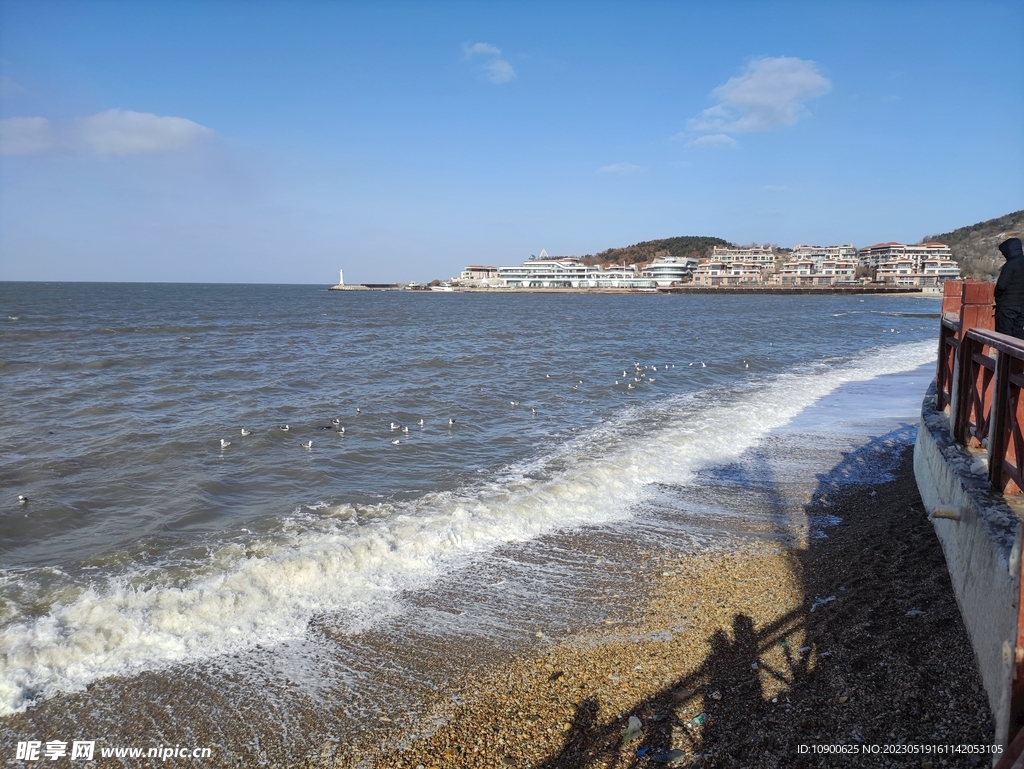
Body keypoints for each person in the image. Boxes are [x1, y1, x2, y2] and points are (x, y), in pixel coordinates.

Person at [995, 237, 1024, 339]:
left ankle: (1005, 355)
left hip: (1007, 306)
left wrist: (997, 296)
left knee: (1004, 336)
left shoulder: (1010, 265)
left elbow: (1001, 285)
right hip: (1022, 306)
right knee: (1018, 333)